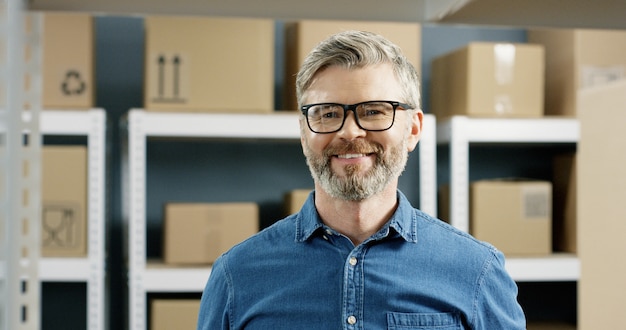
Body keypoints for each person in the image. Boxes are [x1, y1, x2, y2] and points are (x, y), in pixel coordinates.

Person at [197, 30, 526, 329]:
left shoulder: (476, 271)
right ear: (303, 133)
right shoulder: (236, 275)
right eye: (328, 113)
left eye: (374, 111)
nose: (349, 131)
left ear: (413, 130)